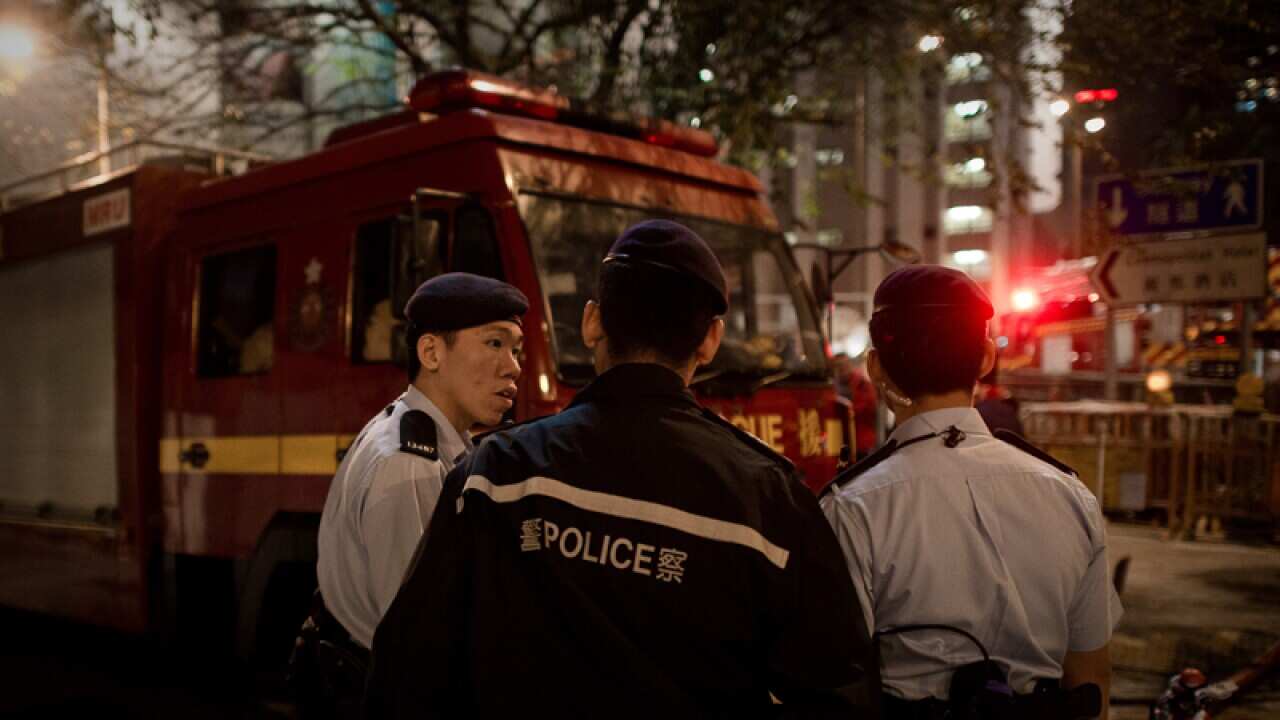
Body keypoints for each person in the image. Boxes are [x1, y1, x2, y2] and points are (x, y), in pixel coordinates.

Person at [367, 220, 880, 718]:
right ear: (710, 340)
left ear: (592, 322)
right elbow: (838, 691)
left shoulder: (495, 473)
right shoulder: (768, 499)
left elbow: (408, 672)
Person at [820, 265, 1122, 720]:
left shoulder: (853, 508)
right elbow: (1092, 678)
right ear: (985, 357)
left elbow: (835, 683)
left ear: (875, 366)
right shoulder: (1070, 496)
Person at [294, 272, 527, 718]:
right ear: (432, 352)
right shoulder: (410, 464)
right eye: (495, 344)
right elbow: (417, 638)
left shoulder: (417, 432)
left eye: (516, 349)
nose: (513, 366)